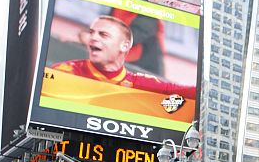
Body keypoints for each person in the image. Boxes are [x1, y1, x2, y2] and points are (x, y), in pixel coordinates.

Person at [51, 15, 196, 99]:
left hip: (145, 66)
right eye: (92, 33)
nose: (94, 38)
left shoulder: (141, 81)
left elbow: (175, 90)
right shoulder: (64, 70)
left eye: (102, 35)